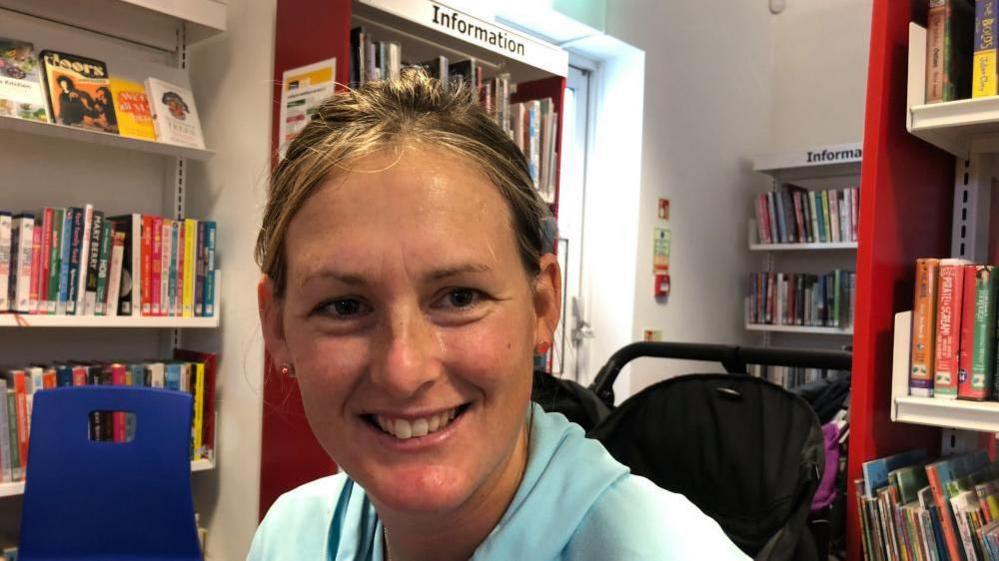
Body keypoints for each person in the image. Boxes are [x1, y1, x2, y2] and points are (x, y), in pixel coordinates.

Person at [251, 69, 749, 561]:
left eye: (460, 298)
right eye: (344, 307)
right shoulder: (291, 537)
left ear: (542, 307)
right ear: (277, 327)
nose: (403, 370)